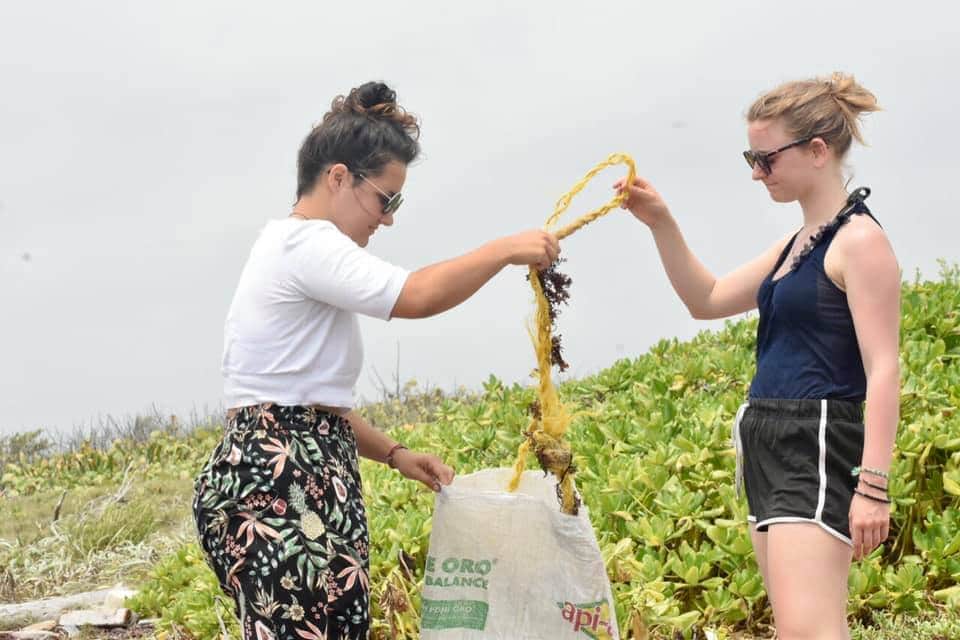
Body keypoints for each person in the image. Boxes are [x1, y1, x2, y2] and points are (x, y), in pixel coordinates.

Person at [192, 81, 560, 640]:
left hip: (291, 470)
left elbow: (311, 404)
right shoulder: (306, 245)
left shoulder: (289, 249)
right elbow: (414, 296)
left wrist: (394, 454)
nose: (386, 219)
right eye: (384, 200)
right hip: (280, 483)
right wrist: (504, 249)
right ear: (338, 177)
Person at [615, 72, 899, 639]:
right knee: (798, 630)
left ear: (817, 151)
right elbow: (708, 299)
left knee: (807, 632)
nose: (755, 172)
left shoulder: (860, 241)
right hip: (766, 437)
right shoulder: (797, 244)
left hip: (815, 437)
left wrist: (873, 485)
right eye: (752, 156)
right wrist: (661, 223)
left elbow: (884, 367)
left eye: (765, 158)